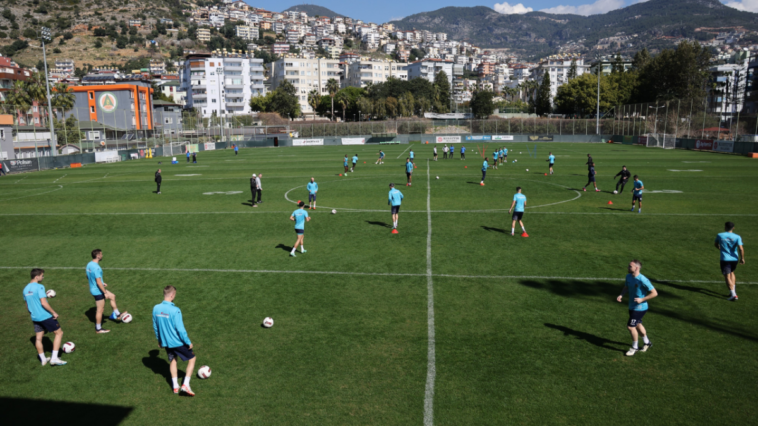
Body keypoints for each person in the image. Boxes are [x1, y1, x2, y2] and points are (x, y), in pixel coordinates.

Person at [153, 285, 196, 396]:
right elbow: (180, 329)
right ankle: (185, 384)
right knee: (192, 358)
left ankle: (175, 386)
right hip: (177, 342)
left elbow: (155, 326)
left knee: (173, 360)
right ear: (172, 295)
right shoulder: (175, 310)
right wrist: (188, 342)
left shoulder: (156, 308)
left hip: (166, 342)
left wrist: (160, 340)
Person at [24, 268, 67, 366]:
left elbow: (27, 305)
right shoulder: (39, 287)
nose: (43, 277)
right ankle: (54, 358)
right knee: (59, 333)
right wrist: (53, 312)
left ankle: (43, 360)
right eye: (42, 275)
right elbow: (43, 303)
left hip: (34, 317)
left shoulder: (25, 289)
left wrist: (32, 314)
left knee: (38, 338)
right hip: (44, 316)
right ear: (37, 276)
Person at [616, 260, 657, 357]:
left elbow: (654, 293)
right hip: (632, 306)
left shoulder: (643, 280)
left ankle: (634, 348)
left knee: (631, 326)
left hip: (640, 307)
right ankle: (647, 343)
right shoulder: (628, 276)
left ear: (636, 268)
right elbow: (626, 287)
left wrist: (642, 299)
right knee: (638, 324)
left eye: (630, 266)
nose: (628, 268)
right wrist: (621, 295)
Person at [87, 249, 126, 333]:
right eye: (101, 254)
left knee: (112, 296)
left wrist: (101, 283)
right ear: (98, 256)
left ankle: (117, 314)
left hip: (95, 288)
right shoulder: (97, 268)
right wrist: (104, 292)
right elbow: (98, 281)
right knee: (100, 310)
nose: (102, 256)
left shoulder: (89, 264)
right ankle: (98, 328)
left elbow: (88, 276)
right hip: (98, 291)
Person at [715, 221, 745, 301]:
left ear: (725, 227)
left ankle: (733, 295)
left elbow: (716, 244)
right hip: (734, 259)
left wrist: (719, 247)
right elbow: (741, 248)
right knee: (732, 272)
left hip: (725, 259)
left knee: (727, 276)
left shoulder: (720, 235)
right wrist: (742, 258)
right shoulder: (737, 236)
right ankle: (733, 291)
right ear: (733, 228)